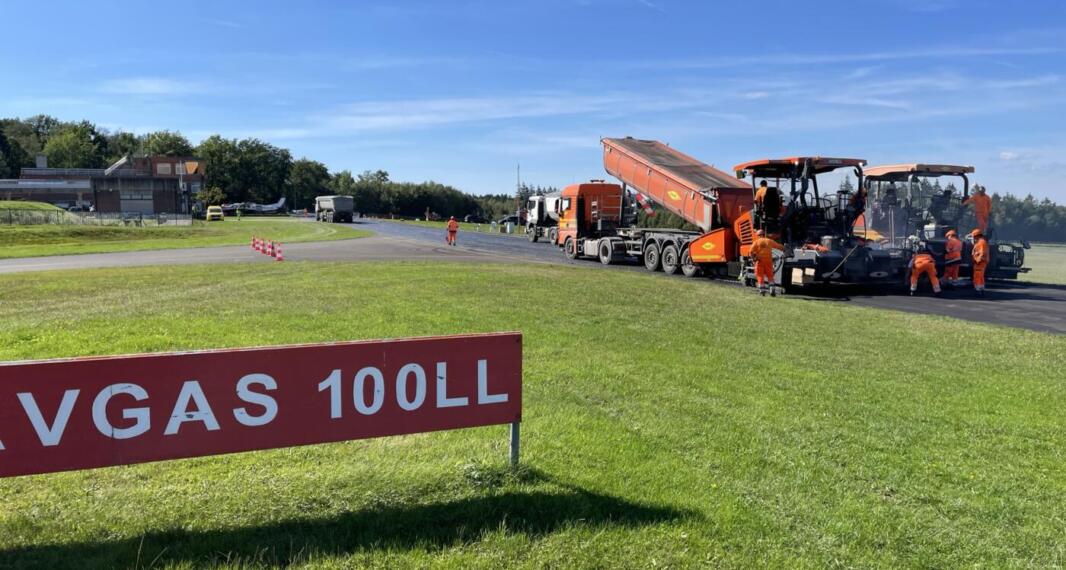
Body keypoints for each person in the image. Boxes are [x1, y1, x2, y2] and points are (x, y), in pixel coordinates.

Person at [749, 229, 784, 296]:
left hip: (760, 262)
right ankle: (772, 290)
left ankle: (762, 291)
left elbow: (750, 252)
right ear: (763, 234)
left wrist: (754, 258)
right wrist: (784, 248)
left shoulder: (756, 242)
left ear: (758, 235)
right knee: (770, 276)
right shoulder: (769, 241)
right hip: (769, 262)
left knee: (760, 276)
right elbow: (778, 246)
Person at [970, 228, 989, 295]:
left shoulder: (981, 242)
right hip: (980, 262)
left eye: (973, 236)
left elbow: (982, 253)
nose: (973, 238)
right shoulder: (981, 242)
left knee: (977, 276)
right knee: (980, 277)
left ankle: (978, 290)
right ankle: (981, 289)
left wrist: (978, 261)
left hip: (979, 263)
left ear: (976, 236)